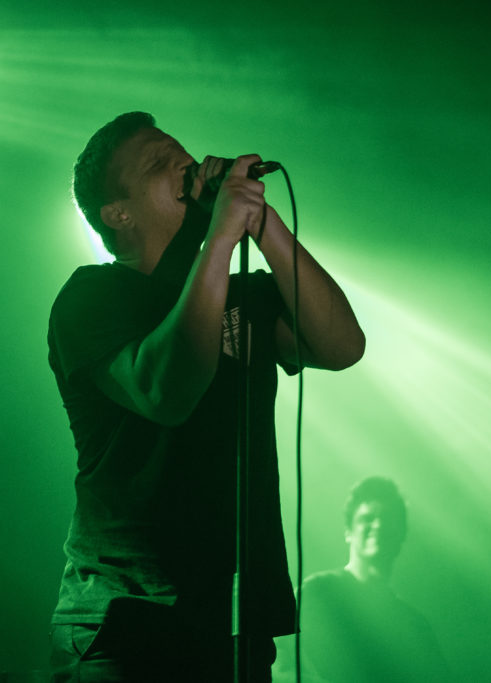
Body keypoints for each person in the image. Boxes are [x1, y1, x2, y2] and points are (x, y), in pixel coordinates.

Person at [46, 111, 365, 682]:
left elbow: (342, 345)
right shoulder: (91, 297)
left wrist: (261, 222)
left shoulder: (246, 294)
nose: (183, 163)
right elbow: (166, 392)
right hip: (131, 617)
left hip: (238, 616)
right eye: (155, 162)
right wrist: (219, 233)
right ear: (118, 214)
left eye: (179, 150)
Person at [295, 477, 450, 683]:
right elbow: (280, 660)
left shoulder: (414, 625)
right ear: (348, 532)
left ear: (401, 534)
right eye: (367, 518)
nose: (378, 525)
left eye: (387, 518)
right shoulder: (315, 594)